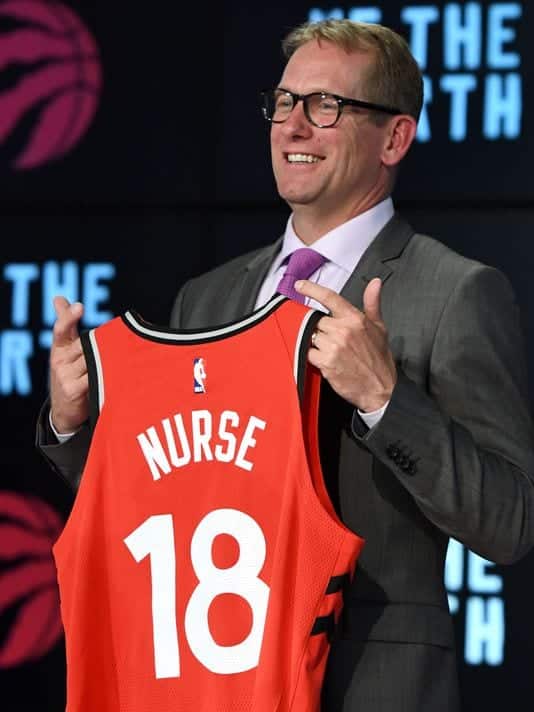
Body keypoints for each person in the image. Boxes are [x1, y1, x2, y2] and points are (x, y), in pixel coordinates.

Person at [37, 19, 534, 712]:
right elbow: (157, 492)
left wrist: (388, 402)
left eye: (327, 106)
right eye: (284, 103)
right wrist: (74, 426)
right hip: (210, 683)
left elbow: (510, 520)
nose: (294, 127)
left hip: (366, 689)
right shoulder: (207, 297)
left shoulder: (454, 293)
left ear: (395, 137)